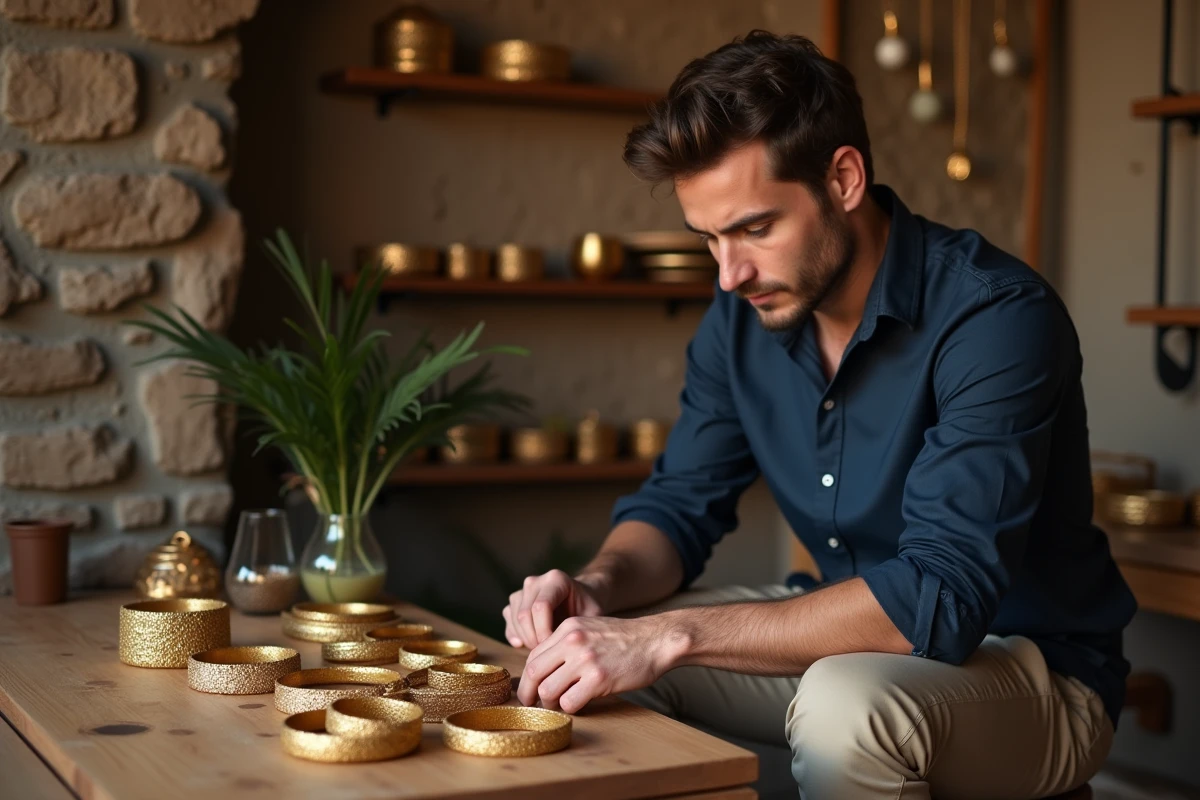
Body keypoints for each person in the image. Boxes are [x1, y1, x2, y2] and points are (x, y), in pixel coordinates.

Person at [503, 31, 1136, 799]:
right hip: (853, 651)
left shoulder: (997, 317)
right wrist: (599, 591)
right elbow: (677, 508)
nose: (729, 273)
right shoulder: (742, 317)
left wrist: (672, 634)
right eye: (707, 238)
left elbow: (938, 594)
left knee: (843, 707)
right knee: (584, 669)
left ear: (843, 178)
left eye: (754, 228)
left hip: (1036, 673)